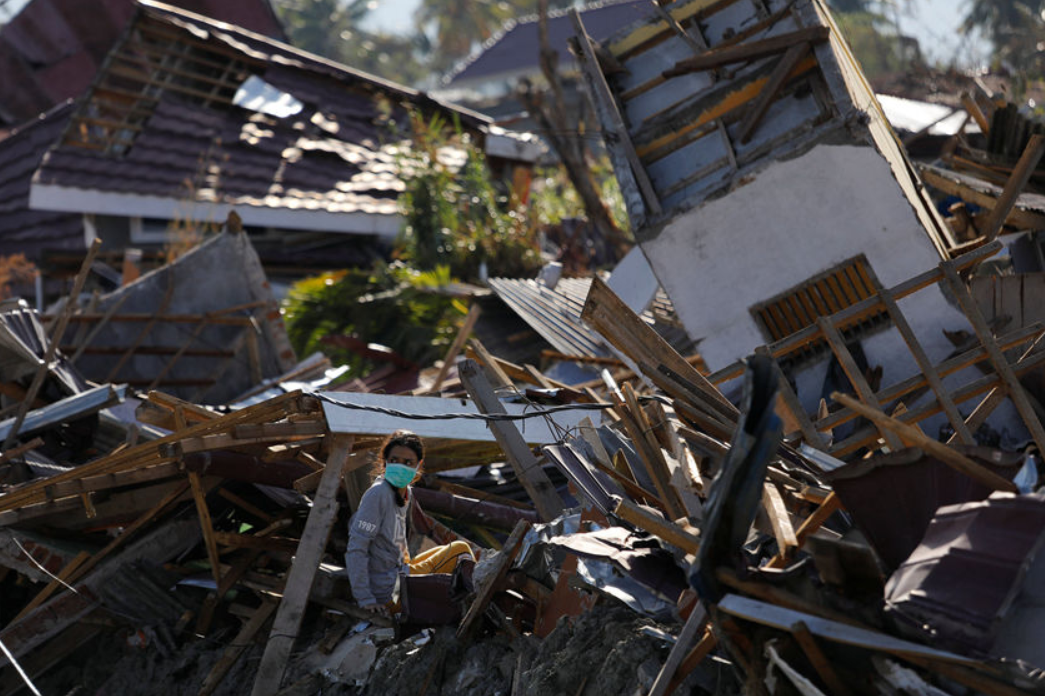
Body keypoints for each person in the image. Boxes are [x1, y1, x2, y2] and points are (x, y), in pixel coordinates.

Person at [345, 429, 474, 616]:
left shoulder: (405, 493)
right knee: (461, 550)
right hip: (392, 592)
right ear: (384, 461)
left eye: (408, 462)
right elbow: (356, 547)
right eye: (394, 460)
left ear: (418, 465)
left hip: (400, 574)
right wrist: (365, 599)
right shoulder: (378, 494)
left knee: (453, 551)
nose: (400, 466)